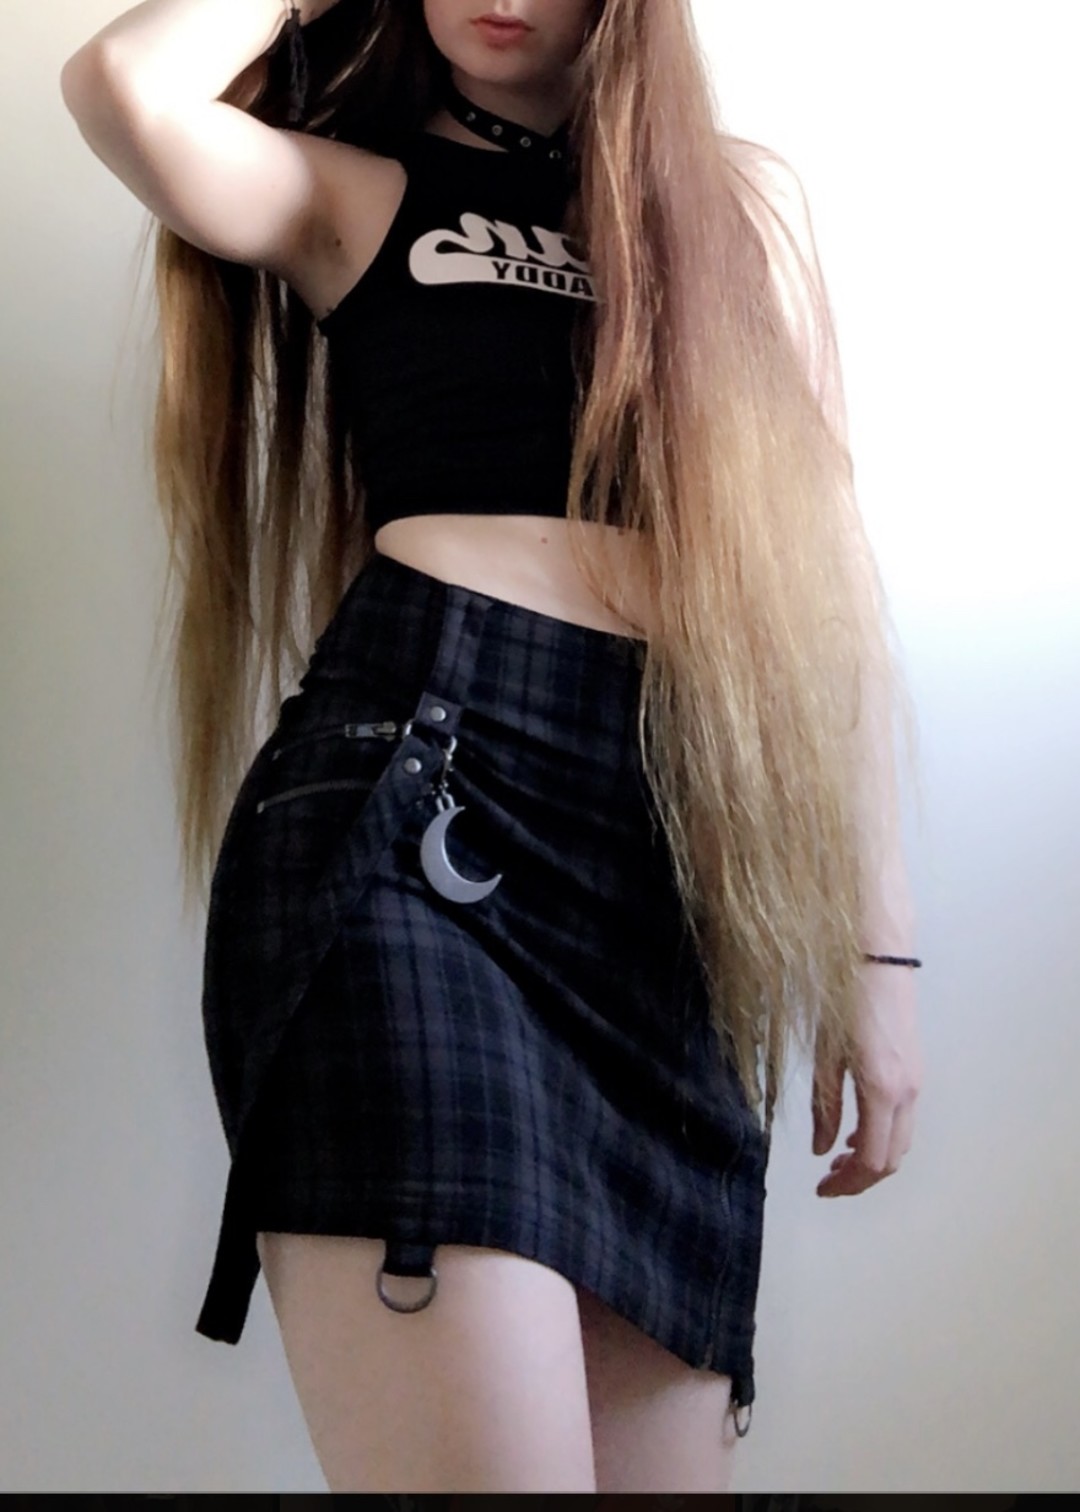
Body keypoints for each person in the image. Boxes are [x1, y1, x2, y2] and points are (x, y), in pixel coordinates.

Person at [60, 0, 924, 1494]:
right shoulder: (356, 194)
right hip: (419, 806)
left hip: (671, 859)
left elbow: (827, 584)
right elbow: (123, 90)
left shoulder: (731, 209)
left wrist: (877, 955)